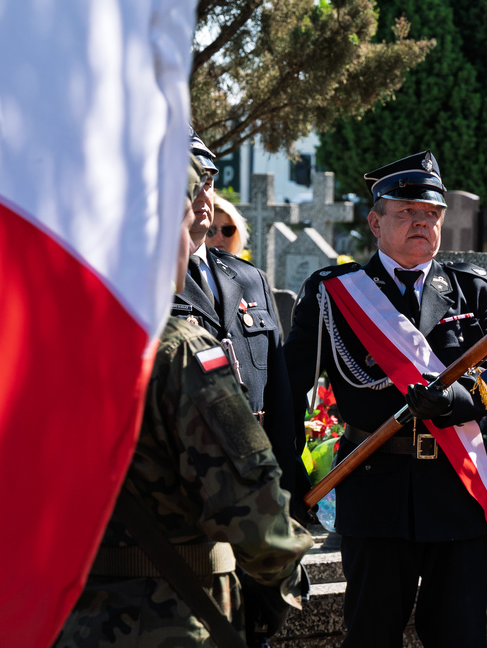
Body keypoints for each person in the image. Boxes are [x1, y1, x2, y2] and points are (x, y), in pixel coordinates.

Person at [56, 157, 313, 647]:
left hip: (69, 616)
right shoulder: (180, 350)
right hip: (173, 618)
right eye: (184, 224)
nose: (192, 238)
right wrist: (282, 587)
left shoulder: (51, 343)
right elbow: (253, 510)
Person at [284, 151, 487, 647]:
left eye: (431, 215)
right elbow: (290, 388)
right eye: (406, 213)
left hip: (456, 489)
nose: (421, 223)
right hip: (374, 489)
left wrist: (450, 402)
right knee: (371, 636)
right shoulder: (334, 294)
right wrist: (289, 474)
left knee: (461, 637)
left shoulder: (472, 290)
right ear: (375, 222)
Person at [175, 129, 308, 522]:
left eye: (210, 183)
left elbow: (281, 399)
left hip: (256, 481)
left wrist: (287, 489)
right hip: (184, 486)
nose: (204, 196)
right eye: (192, 183)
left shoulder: (248, 278)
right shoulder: (138, 282)